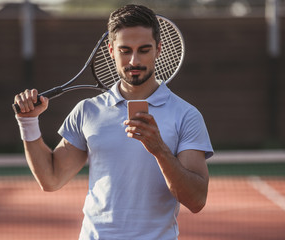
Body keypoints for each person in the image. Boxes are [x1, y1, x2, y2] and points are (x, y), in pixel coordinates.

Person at [14, 4, 213, 240]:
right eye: (125, 50)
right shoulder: (87, 111)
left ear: (159, 49)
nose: (134, 60)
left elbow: (196, 200)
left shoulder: (186, 115)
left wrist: (159, 150)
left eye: (144, 50)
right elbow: (51, 179)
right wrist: (28, 122)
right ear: (111, 50)